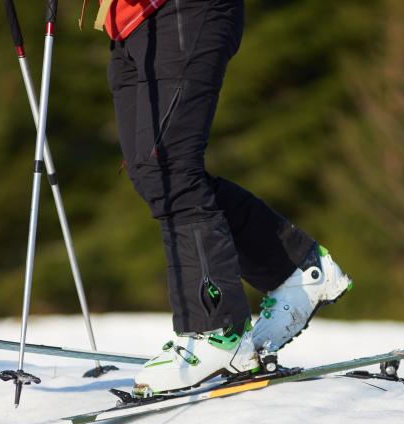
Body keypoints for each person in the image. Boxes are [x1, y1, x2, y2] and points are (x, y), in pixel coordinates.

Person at [90, 0, 352, 396]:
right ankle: (297, 270)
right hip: (129, 23)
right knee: (152, 173)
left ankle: (215, 331)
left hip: (183, 10)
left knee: (171, 168)